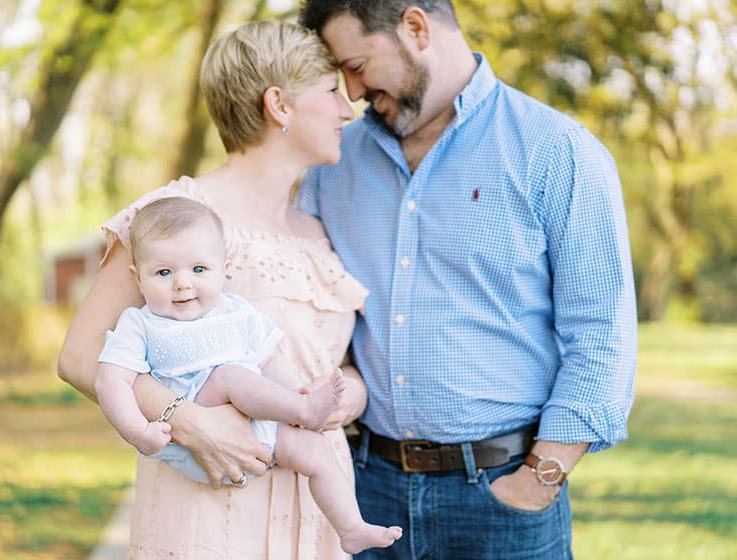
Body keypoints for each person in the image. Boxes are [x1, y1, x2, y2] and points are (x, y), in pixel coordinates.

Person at [296, 2, 638, 559]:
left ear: (415, 27)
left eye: (357, 64)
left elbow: (601, 334)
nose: (352, 91)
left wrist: (537, 481)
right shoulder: (332, 164)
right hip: (362, 495)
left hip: (503, 501)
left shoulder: (556, 152)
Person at [58, 19, 377, 559]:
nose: (348, 109)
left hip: (314, 506)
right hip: (213, 511)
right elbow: (80, 356)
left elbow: (330, 363)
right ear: (279, 104)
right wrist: (186, 419)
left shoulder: (317, 232)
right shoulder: (174, 216)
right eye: (330, 91)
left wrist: (348, 395)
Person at [95, 196, 402, 554]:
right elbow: (111, 380)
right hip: (195, 434)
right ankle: (304, 410)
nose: (182, 283)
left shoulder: (236, 312)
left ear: (224, 270)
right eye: (163, 272)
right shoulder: (141, 323)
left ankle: (350, 526)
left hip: (256, 434)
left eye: (198, 270)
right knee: (230, 375)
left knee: (316, 451)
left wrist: (295, 391)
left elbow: (270, 359)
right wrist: (138, 431)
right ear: (138, 277)